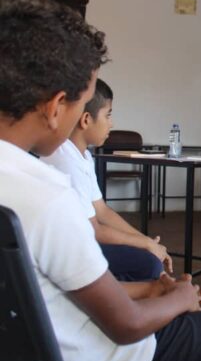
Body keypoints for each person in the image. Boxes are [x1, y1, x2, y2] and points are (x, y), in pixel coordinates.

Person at [0, 0, 201, 361]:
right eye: (83, 102)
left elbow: (57, 290)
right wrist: (181, 297)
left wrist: (152, 291)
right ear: (56, 106)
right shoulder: (47, 197)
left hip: (43, 355)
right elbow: (127, 325)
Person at [41, 78, 171, 281]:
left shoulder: (83, 155)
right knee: (148, 263)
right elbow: (93, 230)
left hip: (79, 240)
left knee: (147, 255)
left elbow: (102, 210)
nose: (112, 123)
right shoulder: (65, 159)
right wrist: (146, 245)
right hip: (64, 250)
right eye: (108, 115)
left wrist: (145, 241)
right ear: (86, 119)